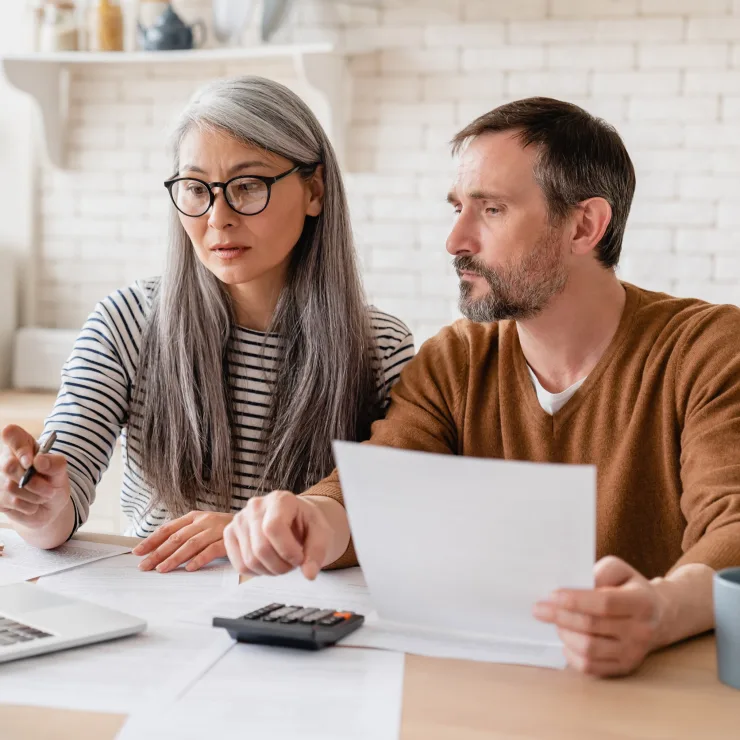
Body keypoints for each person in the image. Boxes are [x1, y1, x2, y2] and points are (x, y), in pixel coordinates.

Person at [223, 97, 740, 677]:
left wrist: (660, 610)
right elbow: (381, 489)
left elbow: (734, 526)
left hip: (660, 694)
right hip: (495, 687)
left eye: (492, 209)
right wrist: (308, 517)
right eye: (457, 208)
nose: (455, 240)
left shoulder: (709, 349)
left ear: (585, 225)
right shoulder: (456, 360)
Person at [0, 76, 414, 574]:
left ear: (314, 190)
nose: (218, 217)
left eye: (247, 186)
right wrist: (36, 503)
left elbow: (393, 520)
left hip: (307, 615)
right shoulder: (127, 321)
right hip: (163, 608)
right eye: (196, 189)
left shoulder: (381, 347)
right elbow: (58, 509)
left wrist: (242, 535)